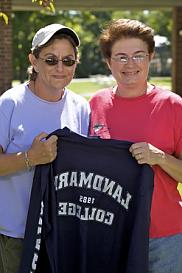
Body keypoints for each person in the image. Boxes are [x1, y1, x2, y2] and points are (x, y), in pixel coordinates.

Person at [89, 18, 182, 273]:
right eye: (120, 57)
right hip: (110, 231)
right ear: (109, 62)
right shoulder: (95, 104)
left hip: (164, 237)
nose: (130, 64)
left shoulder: (173, 105)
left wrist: (160, 157)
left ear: (150, 57)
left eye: (138, 55)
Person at [0, 23, 90, 273]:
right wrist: (30, 157)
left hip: (63, 232)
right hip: (15, 234)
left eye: (68, 60)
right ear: (34, 60)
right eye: (51, 60)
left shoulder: (81, 107)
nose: (60, 68)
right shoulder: (10, 102)